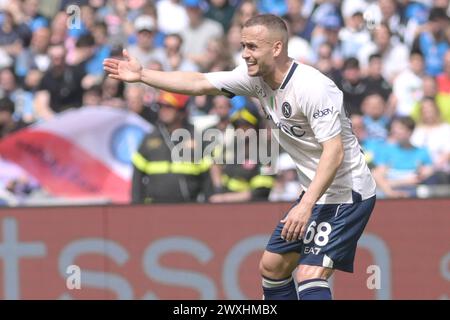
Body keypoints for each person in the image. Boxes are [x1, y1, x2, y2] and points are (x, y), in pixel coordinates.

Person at [104, 14, 377, 300]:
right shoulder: (255, 79)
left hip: (347, 191)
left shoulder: (312, 87)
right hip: (317, 191)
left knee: (310, 274)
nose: (245, 54)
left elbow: (335, 151)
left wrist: (305, 205)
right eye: (243, 46)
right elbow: (198, 82)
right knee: (272, 268)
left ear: (277, 48)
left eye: (252, 47)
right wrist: (143, 75)